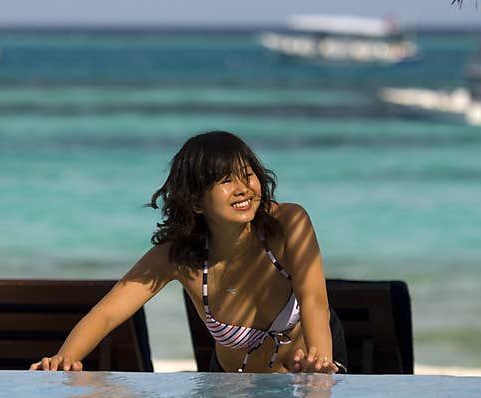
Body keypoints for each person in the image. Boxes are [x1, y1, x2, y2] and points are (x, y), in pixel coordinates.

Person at [30, 130, 347, 374]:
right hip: (235, 396)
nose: (243, 188)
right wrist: (62, 361)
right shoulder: (179, 257)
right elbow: (107, 313)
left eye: (247, 174)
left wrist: (319, 365)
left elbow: (315, 302)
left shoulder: (288, 222)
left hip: (310, 375)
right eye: (225, 180)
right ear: (196, 202)